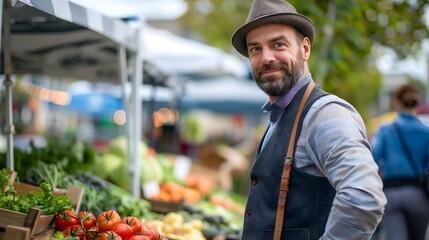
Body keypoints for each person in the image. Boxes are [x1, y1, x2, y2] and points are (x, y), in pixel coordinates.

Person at [230, 0, 387, 239]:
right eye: (255, 49)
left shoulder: (324, 114)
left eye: (278, 44)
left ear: (305, 49)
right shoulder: (279, 115)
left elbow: (364, 198)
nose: (266, 57)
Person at [371, 83, 429, 240]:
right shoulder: (426, 131)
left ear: (397, 102)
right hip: (418, 195)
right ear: (417, 102)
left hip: (390, 195)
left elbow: (372, 159)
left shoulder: (385, 129)